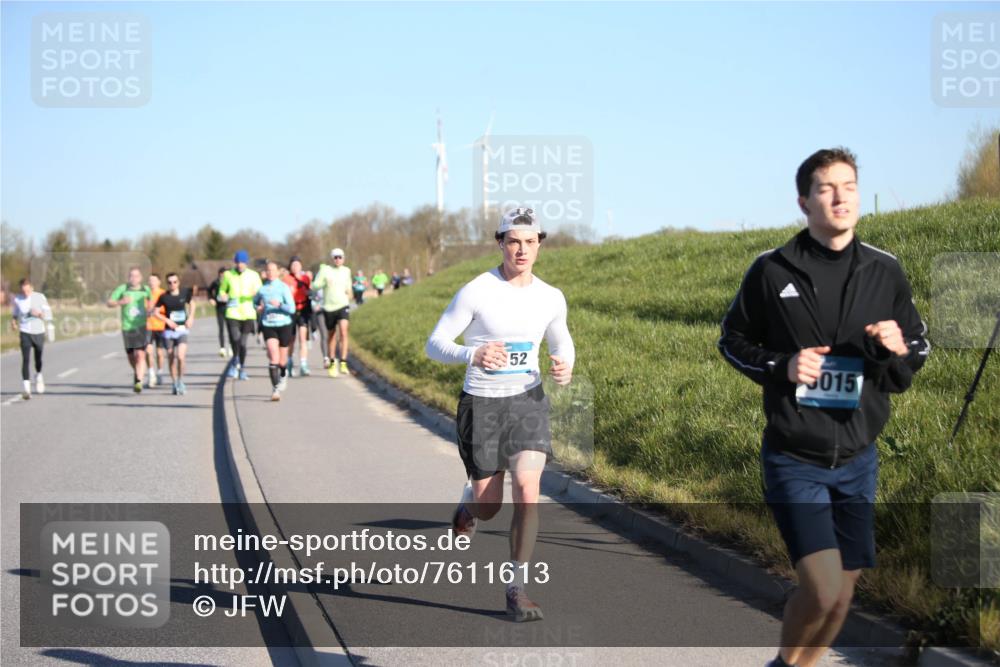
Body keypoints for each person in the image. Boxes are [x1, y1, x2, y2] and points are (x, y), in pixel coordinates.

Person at [717, 148, 929, 667]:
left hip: (859, 457)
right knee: (822, 585)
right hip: (795, 456)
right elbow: (732, 341)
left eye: (849, 186)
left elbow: (916, 349)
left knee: (842, 597)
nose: (840, 197)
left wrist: (894, 348)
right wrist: (782, 366)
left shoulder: (885, 270)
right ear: (804, 201)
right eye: (827, 188)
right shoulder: (772, 271)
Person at [425, 207, 574, 622]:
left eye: (530, 241)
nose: (522, 250)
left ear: (540, 243)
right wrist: (472, 352)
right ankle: (468, 507)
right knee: (490, 506)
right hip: (483, 405)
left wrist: (564, 363)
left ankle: (516, 588)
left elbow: (561, 341)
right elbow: (434, 343)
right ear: (500, 243)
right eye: (513, 241)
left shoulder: (550, 296)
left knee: (528, 490)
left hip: (527, 401)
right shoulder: (477, 290)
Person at [218, 250, 263, 380]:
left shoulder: (253, 275)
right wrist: (223, 295)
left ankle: (242, 367)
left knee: (243, 343)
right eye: (238, 262)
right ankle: (234, 362)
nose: (240, 265)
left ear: (246, 263)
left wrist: (256, 295)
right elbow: (222, 290)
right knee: (235, 338)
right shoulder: (228, 275)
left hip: (248, 313)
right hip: (232, 312)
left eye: (242, 262)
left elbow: (260, 291)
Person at [254, 260, 296, 401]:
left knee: (282, 361)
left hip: (284, 324)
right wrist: (258, 308)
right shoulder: (262, 289)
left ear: (278, 272)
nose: (270, 273)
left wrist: (279, 304)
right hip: (268, 324)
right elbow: (254, 302)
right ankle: (275, 389)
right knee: (273, 356)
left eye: (273, 270)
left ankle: (283, 374)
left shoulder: (283, 288)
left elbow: (292, 308)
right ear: (265, 273)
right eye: (268, 270)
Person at [107, 267, 152, 393]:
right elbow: (109, 302)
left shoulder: (145, 289)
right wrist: (121, 301)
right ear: (128, 278)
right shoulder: (123, 289)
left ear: (141, 278)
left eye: (136, 276)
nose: (134, 278)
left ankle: (139, 381)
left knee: (140, 355)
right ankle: (137, 372)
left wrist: (150, 308)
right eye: (131, 276)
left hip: (141, 326)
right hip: (127, 327)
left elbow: (151, 302)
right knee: (131, 357)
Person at [311, 248, 352, 378]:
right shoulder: (325, 270)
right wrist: (323, 282)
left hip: (342, 305)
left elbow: (348, 287)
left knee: (344, 332)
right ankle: (333, 362)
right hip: (328, 307)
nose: (338, 259)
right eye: (335, 257)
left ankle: (344, 362)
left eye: (340, 257)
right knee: (332, 336)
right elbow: (314, 285)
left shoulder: (347, 271)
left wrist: (349, 294)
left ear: (344, 258)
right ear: (332, 258)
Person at [10, 278, 53, 399]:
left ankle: (38, 374)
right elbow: (15, 313)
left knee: (38, 357)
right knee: (25, 359)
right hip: (25, 331)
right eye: (23, 289)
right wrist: (13, 322)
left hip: (38, 331)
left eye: (27, 288)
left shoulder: (39, 297)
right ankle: (27, 390)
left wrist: (38, 314)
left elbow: (48, 314)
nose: (25, 291)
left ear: (31, 287)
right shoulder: (18, 299)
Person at [153, 272, 194, 395]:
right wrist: (167, 320)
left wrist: (191, 317)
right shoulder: (163, 296)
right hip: (169, 331)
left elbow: (192, 304)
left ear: (178, 282)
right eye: (170, 282)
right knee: (171, 357)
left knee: (181, 357)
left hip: (182, 330)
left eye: (174, 282)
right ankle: (175, 382)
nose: (172, 284)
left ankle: (181, 380)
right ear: (167, 284)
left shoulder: (184, 292)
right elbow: (156, 312)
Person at [283, 256, 313, 377]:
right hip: (291, 311)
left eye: (298, 265)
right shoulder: (286, 279)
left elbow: (311, 291)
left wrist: (309, 293)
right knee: (291, 340)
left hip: (303, 309)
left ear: (301, 266)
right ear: (290, 267)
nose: (295, 267)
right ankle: (289, 362)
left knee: (303, 337)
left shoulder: (306, 278)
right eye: (293, 265)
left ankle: (303, 364)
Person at [145, 274, 167, 387]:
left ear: (159, 282)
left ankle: (160, 372)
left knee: (159, 352)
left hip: (160, 326)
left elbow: (166, 308)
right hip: (148, 326)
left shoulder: (163, 293)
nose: (151, 282)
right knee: (148, 351)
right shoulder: (145, 294)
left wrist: (155, 310)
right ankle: (151, 373)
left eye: (154, 280)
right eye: (150, 280)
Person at [207, 267, 230, 358]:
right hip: (219, 307)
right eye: (222, 274)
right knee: (221, 328)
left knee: (230, 328)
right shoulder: (215, 282)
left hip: (229, 308)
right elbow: (209, 291)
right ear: (219, 274)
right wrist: (211, 299)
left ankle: (231, 347)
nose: (223, 276)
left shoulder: (230, 282)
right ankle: (222, 348)